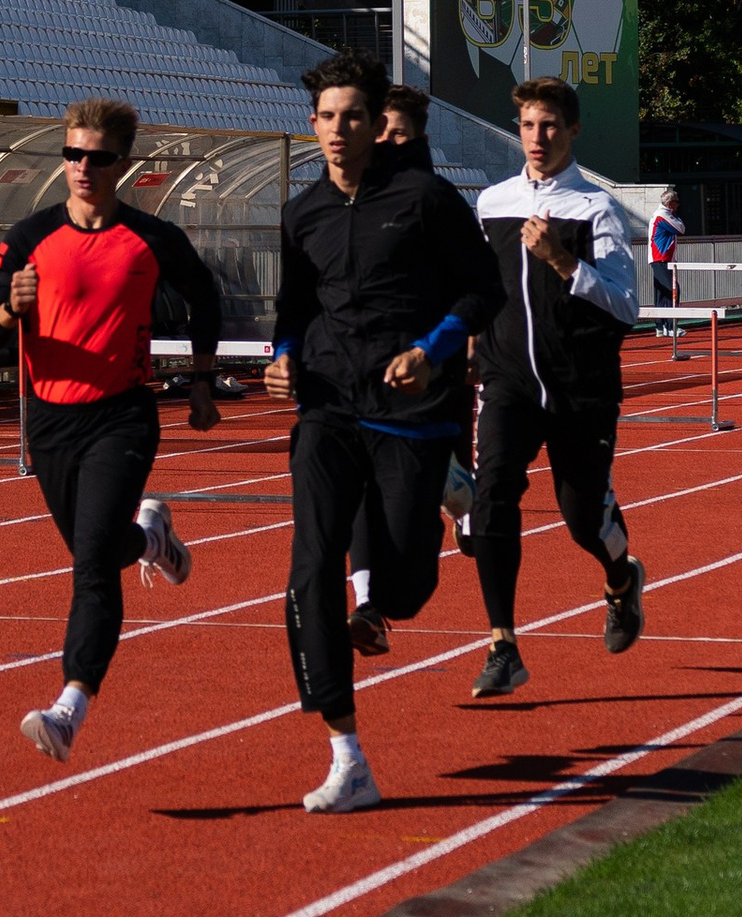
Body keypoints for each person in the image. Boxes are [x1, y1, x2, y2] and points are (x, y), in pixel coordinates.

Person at [266, 52, 502, 814]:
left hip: (413, 414)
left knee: (406, 584)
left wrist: (431, 352)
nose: (339, 130)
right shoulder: (301, 213)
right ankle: (345, 751)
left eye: (354, 117)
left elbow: (483, 289)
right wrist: (281, 357)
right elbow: (293, 312)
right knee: (309, 573)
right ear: (313, 125)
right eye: (328, 117)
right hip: (329, 411)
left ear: (375, 126)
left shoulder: (424, 199)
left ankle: (417, 544)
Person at [0, 97, 224, 767]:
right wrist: (9, 308)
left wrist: (201, 378)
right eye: (73, 155)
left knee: (90, 563)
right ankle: (152, 536)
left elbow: (205, 295)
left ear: (122, 163)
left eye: (98, 157)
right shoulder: (29, 238)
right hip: (52, 420)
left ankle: (69, 707)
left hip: (122, 414)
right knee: (102, 546)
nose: (83, 167)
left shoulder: (151, 238)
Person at [463, 76, 646, 702]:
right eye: (527, 126)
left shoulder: (596, 209)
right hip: (508, 381)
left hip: (580, 388)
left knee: (579, 519)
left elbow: (627, 306)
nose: (536, 138)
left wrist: (564, 263)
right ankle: (501, 644)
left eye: (548, 126)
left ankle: (621, 579)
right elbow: (481, 292)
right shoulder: (492, 203)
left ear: (572, 131)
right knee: (491, 500)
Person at [344, 84, 471, 614]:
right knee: (356, 486)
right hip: (361, 377)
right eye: (381, 131)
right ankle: (365, 603)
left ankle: (453, 483)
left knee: (413, 570)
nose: (388, 140)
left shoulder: (437, 202)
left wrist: (439, 347)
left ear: (418, 137)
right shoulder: (346, 200)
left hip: (425, 375)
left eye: (399, 132)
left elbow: (475, 290)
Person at [648, 183, 684, 309]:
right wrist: (675, 216)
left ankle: (662, 326)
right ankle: (669, 325)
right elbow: (681, 229)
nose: (678, 205)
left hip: (664, 259)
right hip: (660, 259)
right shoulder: (662, 215)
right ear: (669, 203)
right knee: (673, 290)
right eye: (676, 202)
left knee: (662, 293)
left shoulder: (663, 215)